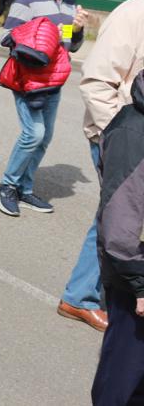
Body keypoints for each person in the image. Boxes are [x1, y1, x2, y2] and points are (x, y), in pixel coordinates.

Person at [59, 0, 144, 334]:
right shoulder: (134, 13)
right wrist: (118, 136)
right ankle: (80, 297)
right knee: (115, 218)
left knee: (118, 218)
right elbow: (96, 82)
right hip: (125, 140)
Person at [0, 0, 89, 217]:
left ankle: (25, 189)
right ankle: (7, 186)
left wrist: (77, 29)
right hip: (29, 80)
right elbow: (6, 36)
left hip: (54, 82)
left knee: (44, 137)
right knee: (32, 134)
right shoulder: (28, 0)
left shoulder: (69, 5)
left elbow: (69, 45)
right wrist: (40, 34)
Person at [90, 69, 144, 404]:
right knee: (122, 381)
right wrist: (140, 283)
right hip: (135, 280)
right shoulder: (132, 132)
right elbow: (120, 225)